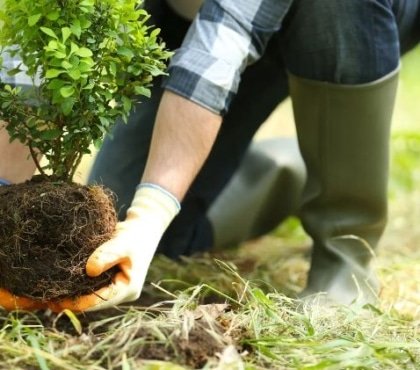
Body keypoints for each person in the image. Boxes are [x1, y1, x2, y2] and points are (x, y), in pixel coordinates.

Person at [0, 0, 416, 312]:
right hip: (188, 16)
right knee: (135, 242)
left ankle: (344, 250)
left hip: (348, 20)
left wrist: (150, 214)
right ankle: (286, 172)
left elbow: (221, 43)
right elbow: (34, 51)